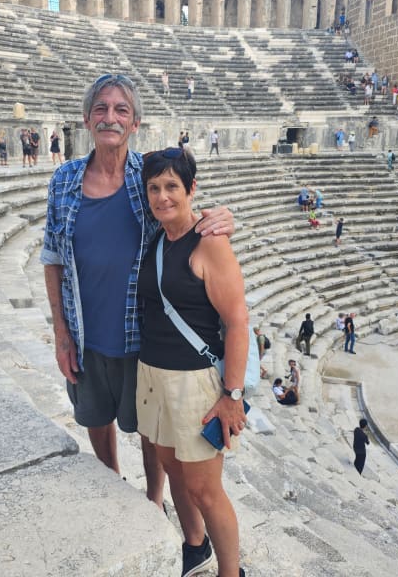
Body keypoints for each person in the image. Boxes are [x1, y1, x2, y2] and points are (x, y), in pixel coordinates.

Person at [40, 74, 234, 519]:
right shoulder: (64, 179)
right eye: (101, 108)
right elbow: (52, 258)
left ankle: (152, 499)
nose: (110, 117)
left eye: (121, 110)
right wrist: (62, 334)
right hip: (84, 334)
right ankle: (111, 484)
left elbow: (182, 217)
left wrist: (222, 217)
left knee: (150, 430)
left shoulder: (145, 178)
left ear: (135, 123)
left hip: (142, 336)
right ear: (87, 119)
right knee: (95, 417)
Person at [136, 146, 247, 577]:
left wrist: (232, 396)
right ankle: (195, 546)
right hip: (153, 375)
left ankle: (231, 572)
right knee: (172, 471)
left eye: (172, 186)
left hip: (194, 383)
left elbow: (237, 322)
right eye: (154, 188)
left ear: (191, 188)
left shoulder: (210, 243)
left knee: (205, 490)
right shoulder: (159, 236)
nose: (162, 196)